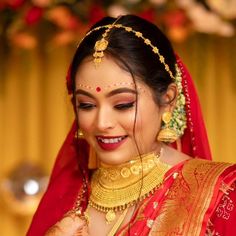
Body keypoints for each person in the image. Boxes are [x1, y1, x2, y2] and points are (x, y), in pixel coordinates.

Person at [27, 15, 236, 236]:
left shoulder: (221, 194)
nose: (102, 123)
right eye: (87, 105)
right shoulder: (68, 194)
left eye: (123, 104)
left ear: (168, 99)